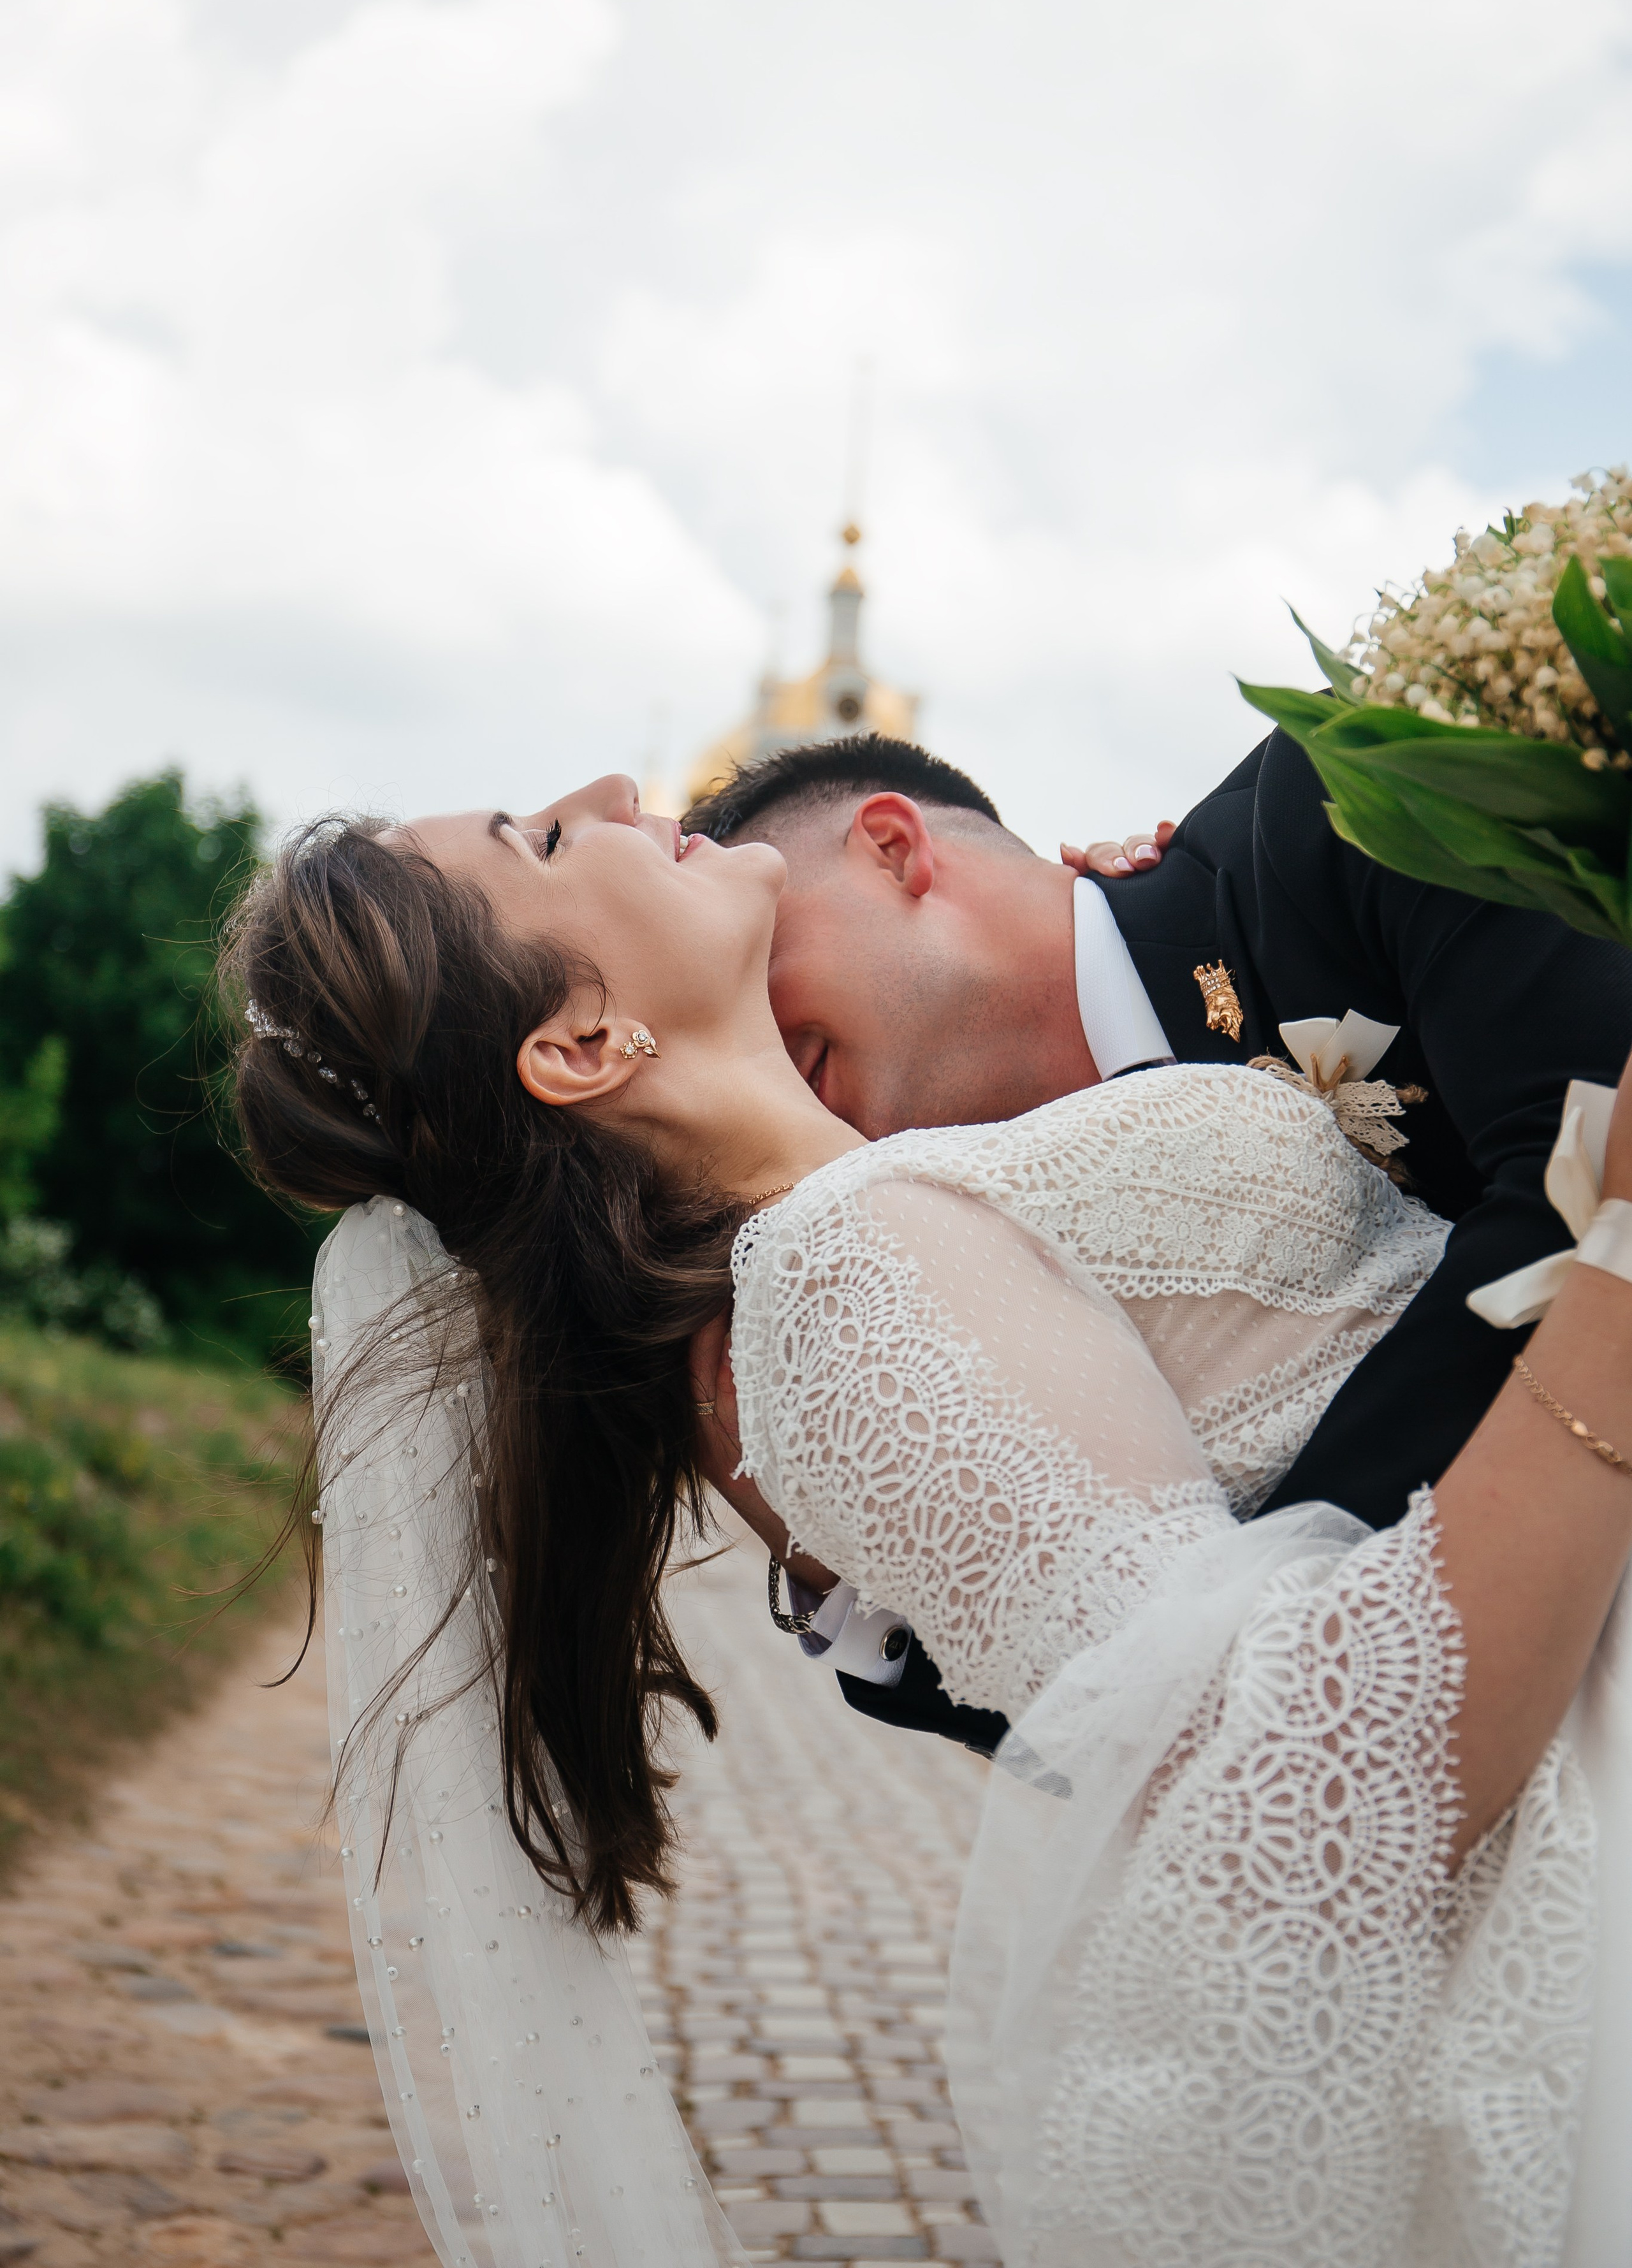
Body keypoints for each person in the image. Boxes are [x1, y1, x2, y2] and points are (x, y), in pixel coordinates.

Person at [227, 781, 1632, 2267]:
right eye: (549, 844)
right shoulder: (834, 1278)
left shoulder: (872, 1216)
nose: (614, 796)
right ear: (577, 1046)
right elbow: (1305, 1813)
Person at [680, 731, 1632, 1754]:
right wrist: (833, 1571)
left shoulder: (1344, 802)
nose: (751, 1051)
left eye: (751, 964)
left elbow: (1582, 1169)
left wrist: (1265, 1659)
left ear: (892, 848)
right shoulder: (965, 1265)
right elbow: (1097, 1754)